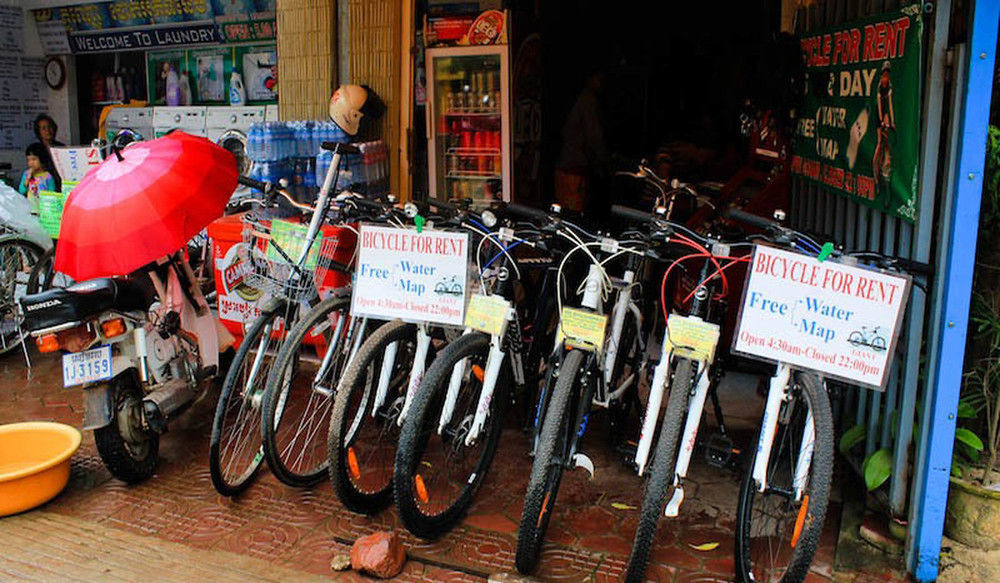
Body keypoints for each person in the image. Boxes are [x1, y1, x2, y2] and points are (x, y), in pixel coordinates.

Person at [555, 67, 610, 214]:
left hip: (564, 164)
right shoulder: (588, 101)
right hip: (575, 166)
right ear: (590, 79)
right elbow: (594, 136)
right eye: (599, 79)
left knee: (563, 209)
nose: (601, 84)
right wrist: (602, 162)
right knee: (573, 211)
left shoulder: (572, 99)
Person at [18, 143, 59, 214]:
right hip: (30, 210)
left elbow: (52, 194)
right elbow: (22, 191)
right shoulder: (26, 174)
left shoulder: (48, 176)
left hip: (44, 211)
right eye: (28, 160)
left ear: (42, 159)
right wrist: (27, 180)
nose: (31, 163)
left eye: (34, 159)